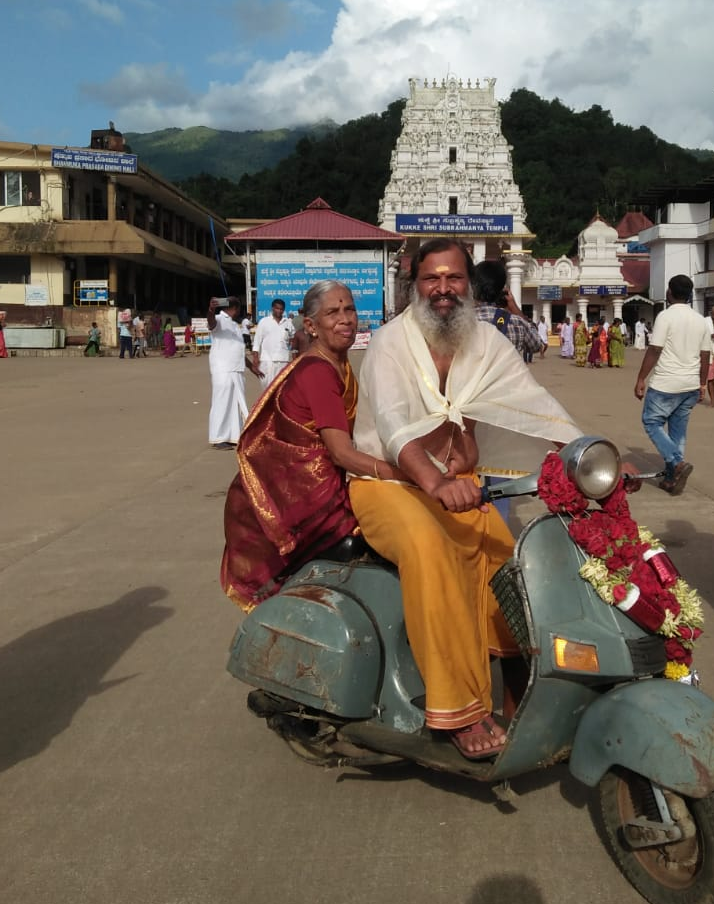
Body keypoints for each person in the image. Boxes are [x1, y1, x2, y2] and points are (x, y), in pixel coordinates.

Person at [349, 238, 581, 759]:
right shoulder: (389, 343)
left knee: (509, 556)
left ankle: (519, 678)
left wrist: (590, 456)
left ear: (469, 285)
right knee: (430, 549)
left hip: (453, 486)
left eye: (454, 278)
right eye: (432, 279)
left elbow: (535, 403)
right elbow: (392, 425)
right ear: (415, 286)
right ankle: (460, 709)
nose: (443, 290)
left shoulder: (485, 342)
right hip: (389, 485)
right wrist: (433, 483)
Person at [221, 282, 403, 611]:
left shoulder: (336, 364)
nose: (345, 319)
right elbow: (341, 453)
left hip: (316, 485)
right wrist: (402, 474)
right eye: (332, 312)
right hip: (308, 499)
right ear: (311, 325)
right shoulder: (318, 371)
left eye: (349, 309)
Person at [634, 275, 710, 496]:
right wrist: (703, 384)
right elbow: (706, 355)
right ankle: (671, 480)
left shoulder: (665, 317)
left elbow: (655, 349)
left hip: (666, 383)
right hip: (690, 384)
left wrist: (641, 378)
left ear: (669, 293)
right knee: (678, 433)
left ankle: (676, 464)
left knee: (651, 422)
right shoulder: (700, 320)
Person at [207, 296, 263, 449]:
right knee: (222, 402)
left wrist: (252, 368)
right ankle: (218, 437)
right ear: (236, 308)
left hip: (236, 368)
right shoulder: (219, 318)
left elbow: (238, 351)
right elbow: (211, 323)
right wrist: (211, 310)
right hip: (223, 368)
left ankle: (232, 435)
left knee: (234, 404)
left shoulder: (235, 326)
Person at [473, 260, 541, 362]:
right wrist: (515, 308)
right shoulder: (517, 323)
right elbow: (536, 345)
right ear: (502, 289)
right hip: (506, 377)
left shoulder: (460, 322)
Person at [252, 298, 296, 391]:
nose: (279, 311)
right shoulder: (264, 322)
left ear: (284, 310)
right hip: (267, 360)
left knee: (281, 389)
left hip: (283, 361)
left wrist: (294, 357)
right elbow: (257, 341)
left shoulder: (288, 323)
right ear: (272, 308)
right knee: (267, 389)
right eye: (277, 308)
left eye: (281, 309)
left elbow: (293, 341)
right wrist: (255, 358)